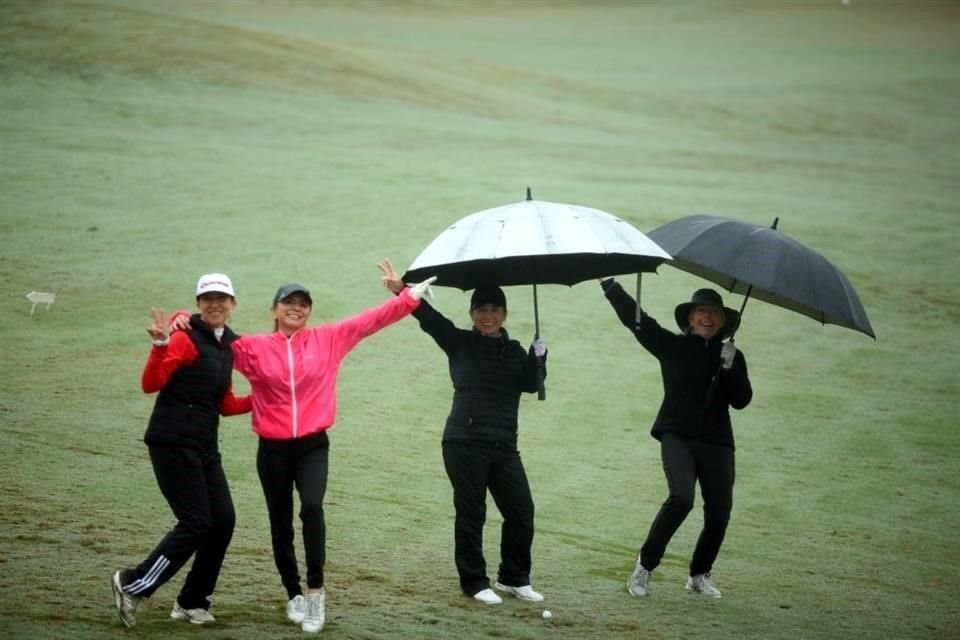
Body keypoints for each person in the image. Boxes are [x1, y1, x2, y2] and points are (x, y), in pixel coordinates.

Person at [170, 267, 434, 634]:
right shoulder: (251, 348)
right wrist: (179, 319)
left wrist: (408, 297)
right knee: (281, 524)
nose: (296, 308)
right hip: (272, 450)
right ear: (275, 309)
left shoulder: (328, 339)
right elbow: (211, 337)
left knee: (311, 507)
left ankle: (315, 593)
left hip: (313, 446)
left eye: (303, 304)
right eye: (289, 302)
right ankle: (293, 592)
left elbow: (369, 321)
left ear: (309, 312)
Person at [379, 259, 547, 606]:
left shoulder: (515, 351)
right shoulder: (458, 341)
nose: (488, 315)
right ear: (472, 313)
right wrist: (403, 291)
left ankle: (514, 577)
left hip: (503, 444)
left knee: (521, 511)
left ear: (504, 313)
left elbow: (530, 385)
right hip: (464, 441)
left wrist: (539, 357)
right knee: (473, 513)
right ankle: (474, 582)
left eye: (494, 309)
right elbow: (429, 319)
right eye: (481, 309)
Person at [112, 273, 251, 627]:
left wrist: (261, 400)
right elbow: (150, 384)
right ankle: (132, 583)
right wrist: (160, 346)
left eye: (222, 298)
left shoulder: (227, 347)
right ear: (198, 303)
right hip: (172, 443)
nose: (215, 304)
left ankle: (191, 601)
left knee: (222, 522)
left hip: (204, 447)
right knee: (196, 523)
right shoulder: (184, 338)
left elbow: (224, 403)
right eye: (208, 299)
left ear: (233, 304)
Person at [599, 279, 752, 599]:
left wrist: (729, 367)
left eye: (714, 313)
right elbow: (637, 320)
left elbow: (741, 400)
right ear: (690, 318)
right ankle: (644, 566)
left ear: (724, 321)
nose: (707, 318)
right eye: (701, 312)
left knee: (719, 513)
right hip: (677, 436)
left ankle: (699, 574)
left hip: (718, 442)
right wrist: (610, 286)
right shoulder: (673, 347)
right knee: (682, 498)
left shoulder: (732, 356)